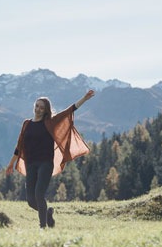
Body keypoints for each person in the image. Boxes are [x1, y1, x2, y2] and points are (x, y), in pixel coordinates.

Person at [6, 89, 95, 228]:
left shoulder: (50, 122)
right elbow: (20, 145)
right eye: (37, 106)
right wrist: (11, 163)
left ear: (46, 110)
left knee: (39, 194)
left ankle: (43, 227)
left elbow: (68, 111)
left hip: (45, 163)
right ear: (34, 106)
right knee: (30, 200)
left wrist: (84, 98)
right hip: (31, 164)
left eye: (42, 108)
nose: (38, 109)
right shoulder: (27, 124)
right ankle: (47, 213)